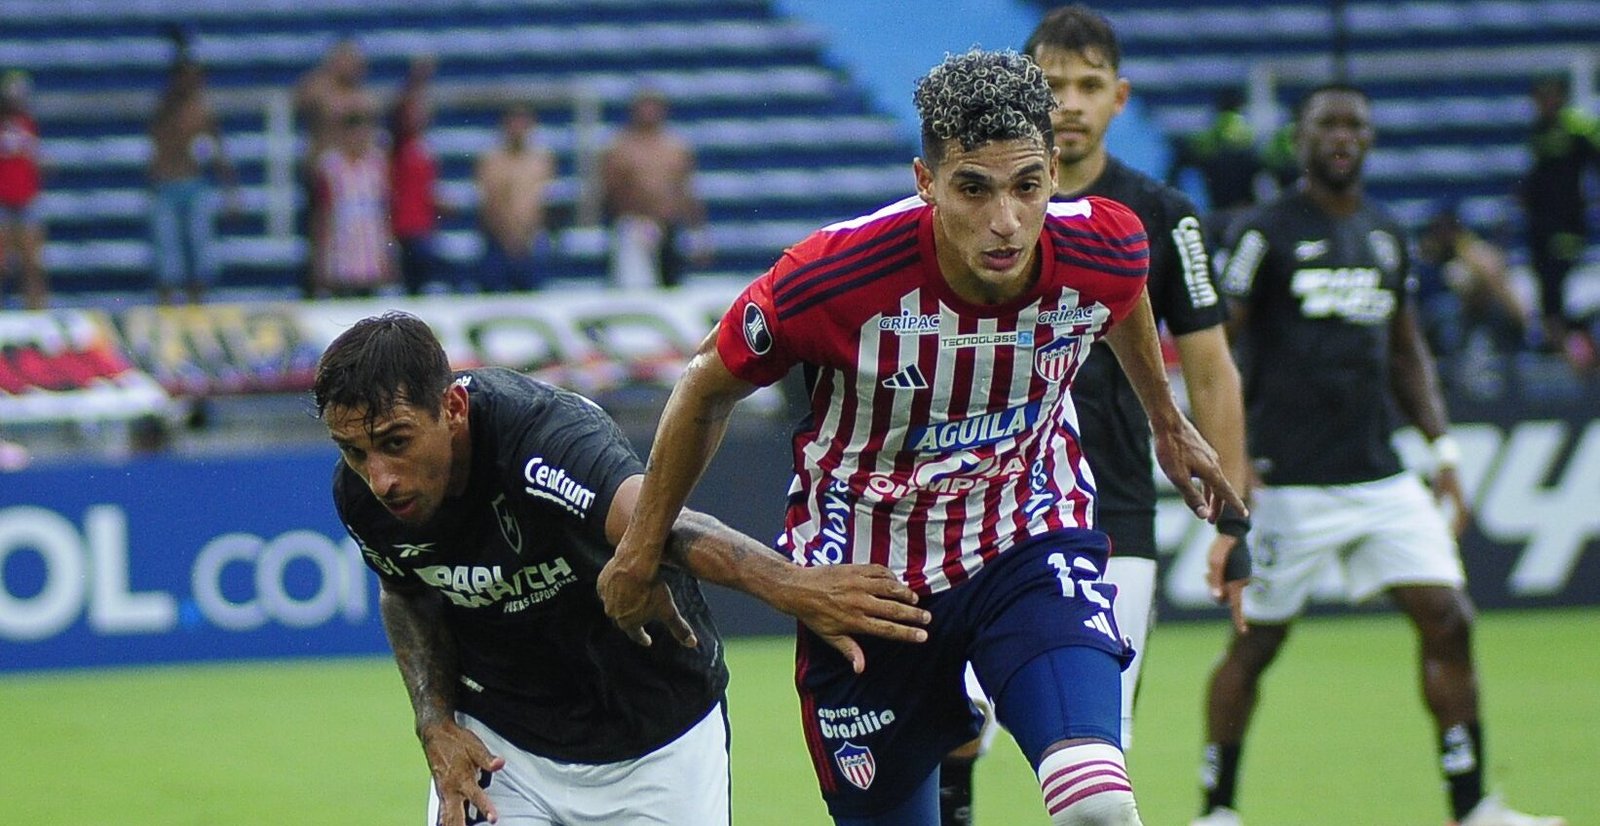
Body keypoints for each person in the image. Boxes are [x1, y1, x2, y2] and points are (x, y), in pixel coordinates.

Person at [600, 49, 1243, 826]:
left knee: (1097, 804)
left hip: (1026, 540)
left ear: (1052, 175)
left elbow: (1124, 288)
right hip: (867, 583)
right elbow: (705, 385)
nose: (1006, 221)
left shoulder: (1107, 241)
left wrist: (1165, 422)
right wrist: (639, 550)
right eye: (973, 188)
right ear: (926, 181)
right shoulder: (831, 279)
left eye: (1027, 186)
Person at [314, 311, 932, 826]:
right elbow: (407, 593)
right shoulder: (362, 498)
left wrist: (794, 585)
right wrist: (434, 723)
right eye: (354, 452)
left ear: (452, 407)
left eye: (395, 442)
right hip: (506, 749)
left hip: (656, 740)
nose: (380, 478)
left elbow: (661, 527)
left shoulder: (542, 438)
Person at [1193, 83, 1564, 826]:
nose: (1342, 136)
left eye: (1355, 125)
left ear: (1369, 139)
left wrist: (1443, 451)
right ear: (1300, 138)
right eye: (1327, 124)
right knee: (1255, 645)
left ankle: (1472, 807)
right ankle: (1217, 809)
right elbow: (1217, 349)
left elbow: (1406, 353)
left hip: (1380, 475)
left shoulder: (1387, 233)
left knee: (1450, 618)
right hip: (1287, 481)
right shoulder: (1265, 232)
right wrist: (1233, 460)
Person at [934, 9, 1255, 825]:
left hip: (1111, 515)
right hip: (971, 512)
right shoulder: (962, 207)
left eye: (1088, 84)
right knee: (949, 731)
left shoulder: (1161, 213)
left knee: (1093, 759)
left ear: (1120, 96)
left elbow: (1211, 368)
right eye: (1053, 85)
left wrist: (1232, 516)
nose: (1070, 103)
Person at [1520, 73, 1599, 370]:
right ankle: (1561, 355)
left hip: (1567, 225)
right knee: (1547, 294)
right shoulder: (1538, 130)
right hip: (1539, 226)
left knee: (1561, 289)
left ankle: (1579, 357)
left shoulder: (1577, 126)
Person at [148, 57, 238, 305]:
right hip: (166, 185)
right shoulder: (165, 108)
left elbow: (218, 151)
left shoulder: (203, 113)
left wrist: (231, 190)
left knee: (199, 251)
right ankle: (167, 303)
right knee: (167, 255)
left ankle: (197, 303)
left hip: (194, 184)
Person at [599, 88, 707, 288]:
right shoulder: (621, 148)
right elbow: (610, 191)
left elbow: (686, 191)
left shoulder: (675, 147)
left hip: (668, 226)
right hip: (634, 225)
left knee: (671, 286)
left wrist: (697, 233)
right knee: (636, 286)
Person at [294, 38, 376, 297]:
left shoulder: (361, 97)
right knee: (319, 235)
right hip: (323, 176)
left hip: (351, 180)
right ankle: (316, 287)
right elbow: (300, 101)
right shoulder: (321, 90)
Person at [1414, 206, 1529, 358]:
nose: (1443, 235)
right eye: (1438, 231)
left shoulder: (1474, 252)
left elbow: (1502, 293)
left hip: (1488, 312)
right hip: (1460, 316)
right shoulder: (1431, 252)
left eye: (1446, 230)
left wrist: (1519, 319)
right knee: (1441, 310)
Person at [1166, 85, 1264, 243]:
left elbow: (1177, 168)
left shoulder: (1207, 139)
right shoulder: (1249, 136)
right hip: (1244, 211)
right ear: (1241, 107)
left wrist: (1177, 203)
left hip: (1216, 212)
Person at [312, 111, 394, 297]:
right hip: (341, 247)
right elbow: (323, 213)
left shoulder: (376, 164)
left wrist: (388, 255)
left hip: (371, 248)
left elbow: (384, 210)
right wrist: (321, 261)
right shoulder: (331, 167)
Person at [475, 103, 554, 292]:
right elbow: (491, 203)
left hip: (530, 241)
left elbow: (542, 202)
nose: (517, 128)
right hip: (499, 241)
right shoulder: (492, 161)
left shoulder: (541, 161)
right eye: (513, 123)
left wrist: (526, 235)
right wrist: (509, 238)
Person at [389, 55, 444, 296]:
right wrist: (416, 80)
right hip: (405, 228)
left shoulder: (425, 148)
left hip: (424, 227)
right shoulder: (398, 146)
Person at [0, 69, 48, 310]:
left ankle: (36, 312)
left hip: (26, 199)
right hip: (3, 199)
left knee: (32, 263)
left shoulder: (29, 125)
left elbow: (40, 163)